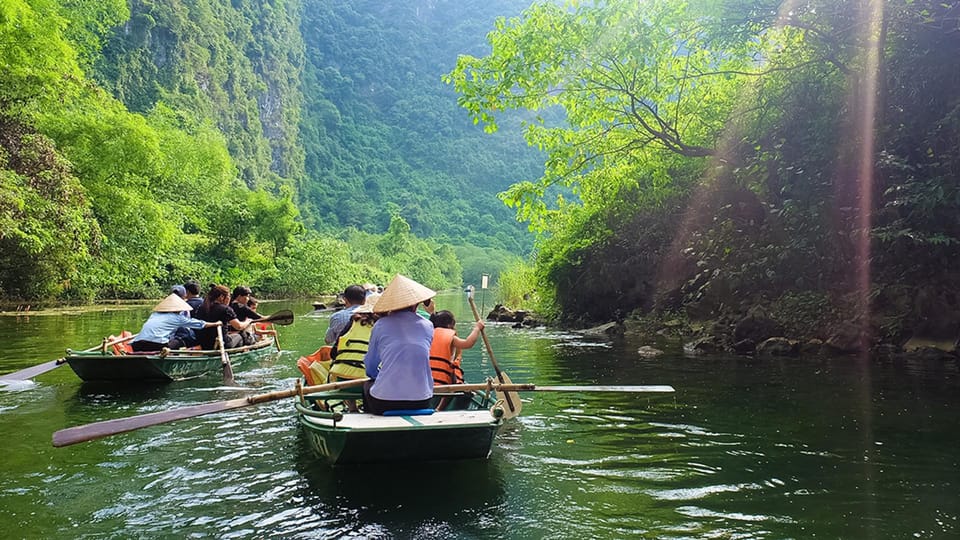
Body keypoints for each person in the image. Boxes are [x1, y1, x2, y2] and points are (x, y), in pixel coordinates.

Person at [362, 274, 436, 415]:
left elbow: (371, 365)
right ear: (416, 304)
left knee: (367, 385)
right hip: (422, 399)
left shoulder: (380, 325)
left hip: (384, 402)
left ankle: (368, 423)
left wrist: (378, 376)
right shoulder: (428, 325)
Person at [328, 295, 379, 412]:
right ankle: (368, 409)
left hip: (344, 381)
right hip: (368, 384)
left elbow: (333, 353)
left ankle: (352, 408)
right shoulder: (382, 326)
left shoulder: (353, 321)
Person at [130, 294, 220, 352]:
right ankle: (172, 353)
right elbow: (199, 324)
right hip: (156, 346)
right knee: (180, 340)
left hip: (136, 344)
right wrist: (216, 323)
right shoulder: (177, 318)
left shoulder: (154, 314)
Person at [428, 310, 484, 386]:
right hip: (442, 385)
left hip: (426, 383)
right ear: (449, 325)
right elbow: (468, 343)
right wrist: (477, 328)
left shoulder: (427, 335)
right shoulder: (451, 338)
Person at [193, 284, 253, 350]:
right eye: (229, 296)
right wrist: (248, 321)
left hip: (203, 343)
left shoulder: (200, 308)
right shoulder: (225, 309)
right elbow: (239, 326)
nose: (230, 299)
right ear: (221, 297)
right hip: (220, 344)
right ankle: (237, 355)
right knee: (240, 336)